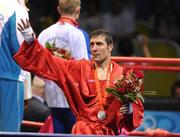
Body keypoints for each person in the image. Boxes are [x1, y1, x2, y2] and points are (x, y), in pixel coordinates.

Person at [15, 19, 144, 135]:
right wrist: (31, 41)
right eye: (92, 44)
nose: (94, 48)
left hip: (110, 133)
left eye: (99, 44)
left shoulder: (124, 76)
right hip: (84, 132)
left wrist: (129, 110)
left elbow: (132, 120)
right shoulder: (79, 69)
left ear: (110, 47)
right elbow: (52, 62)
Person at [37, 0, 91, 133]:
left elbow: (38, 69)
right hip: (74, 99)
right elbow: (84, 70)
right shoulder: (79, 35)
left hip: (51, 97)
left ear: (58, 10)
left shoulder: (44, 33)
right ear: (77, 11)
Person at [0, 0, 29, 131]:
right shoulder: (17, 9)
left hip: (7, 75)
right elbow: (22, 49)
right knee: (10, 131)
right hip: (10, 78)